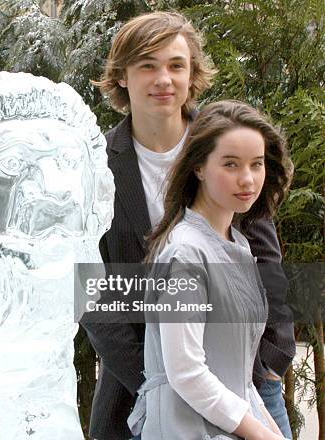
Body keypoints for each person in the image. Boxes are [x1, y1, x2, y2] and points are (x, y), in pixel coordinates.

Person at [81, 11, 295, 440]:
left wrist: (269, 360)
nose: (164, 78)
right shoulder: (92, 165)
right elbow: (91, 289)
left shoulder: (226, 145)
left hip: (246, 381)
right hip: (140, 390)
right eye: (148, 64)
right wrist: (156, 381)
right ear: (122, 75)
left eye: (176, 65)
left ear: (192, 73)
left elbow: (265, 260)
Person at [130, 100, 293, 440]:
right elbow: (186, 372)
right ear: (199, 167)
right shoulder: (185, 252)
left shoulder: (238, 244)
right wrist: (260, 434)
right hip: (186, 429)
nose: (247, 179)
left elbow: (241, 377)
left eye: (256, 164)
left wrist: (271, 430)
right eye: (230, 164)